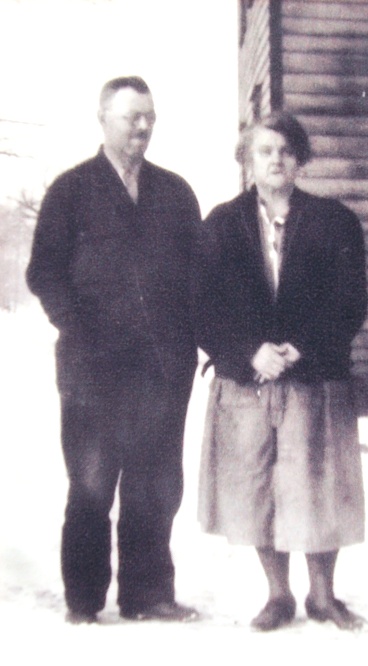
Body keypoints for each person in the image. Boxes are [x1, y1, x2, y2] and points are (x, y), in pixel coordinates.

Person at [26, 76, 201, 624]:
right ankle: (84, 599)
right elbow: (44, 273)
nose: (143, 127)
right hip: (92, 368)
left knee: (156, 484)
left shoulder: (175, 193)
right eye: (132, 117)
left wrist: (189, 344)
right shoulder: (71, 191)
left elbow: (198, 277)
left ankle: (147, 595)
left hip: (161, 368)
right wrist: (78, 330)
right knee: (92, 482)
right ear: (102, 119)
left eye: (150, 116)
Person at [193, 112, 368, 632]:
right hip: (248, 381)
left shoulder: (336, 222)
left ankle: (323, 595)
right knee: (260, 486)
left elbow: (350, 302)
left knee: (318, 484)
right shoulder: (222, 224)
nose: (276, 160)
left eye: (286, 151)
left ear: (300, 159)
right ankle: (278, 595)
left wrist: (301, 348)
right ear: (247, 159)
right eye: (265, 151)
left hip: (314, 377)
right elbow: (202, 305)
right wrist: (249, 352)